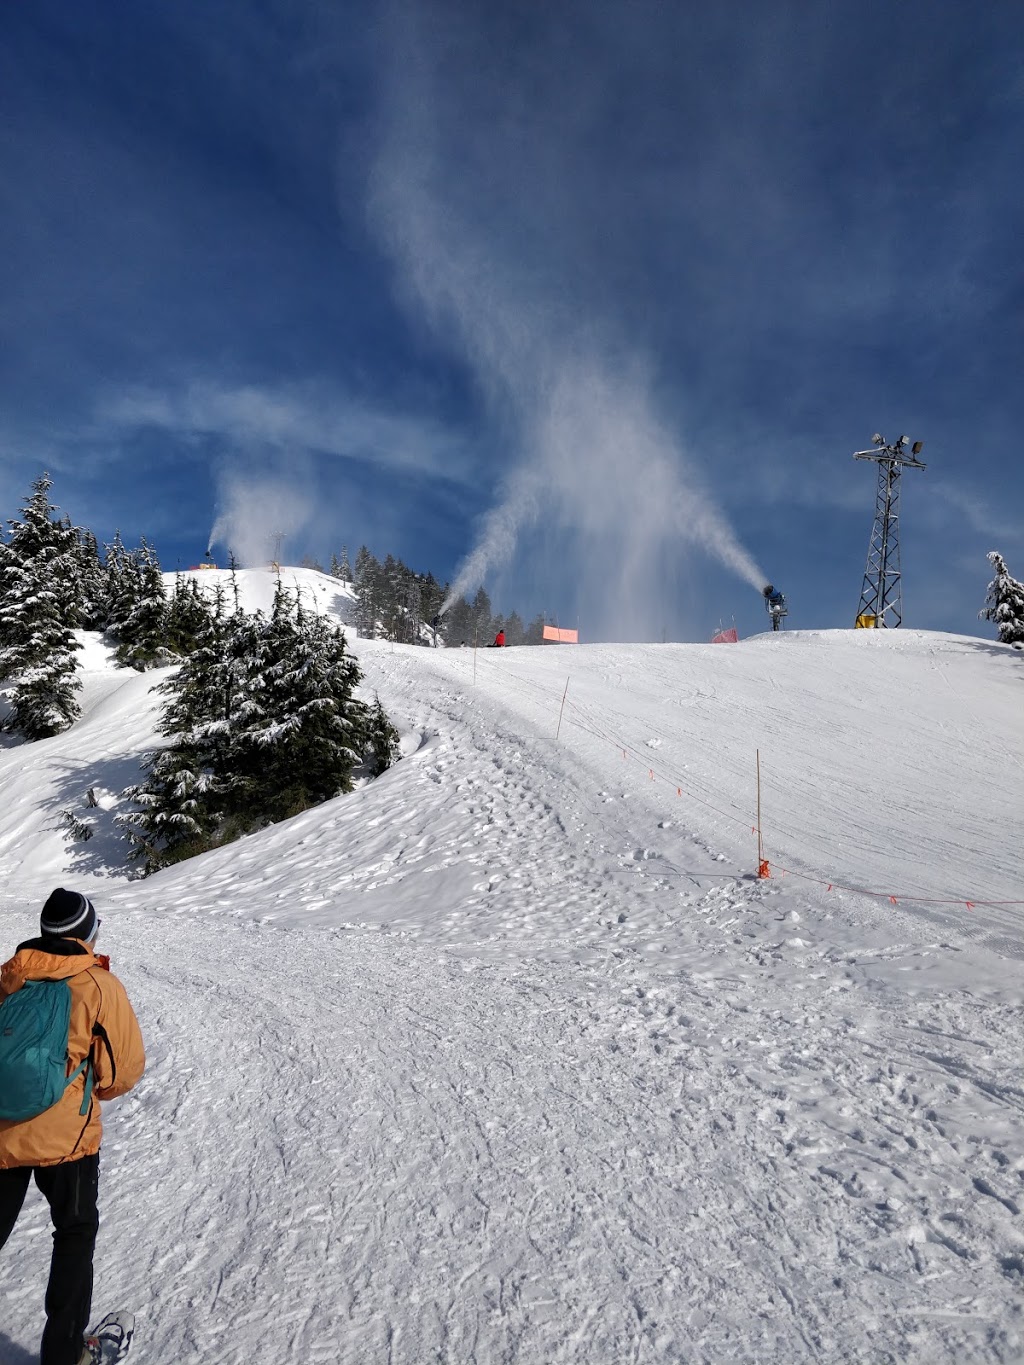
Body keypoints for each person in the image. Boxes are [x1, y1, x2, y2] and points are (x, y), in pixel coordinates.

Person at [0, 889, 145, 1365]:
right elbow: (122, 1072)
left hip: (2, 1132)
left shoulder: (10, 975)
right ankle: (65, 1354)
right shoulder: (100, 986)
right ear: (87, 933)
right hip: (69, 1142)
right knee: (74, 1232)